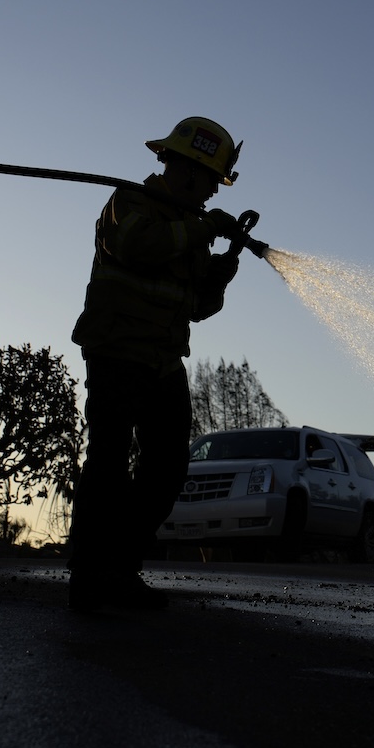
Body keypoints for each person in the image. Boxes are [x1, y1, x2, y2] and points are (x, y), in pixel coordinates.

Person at [67, 117, 246, 610]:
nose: (211, 192)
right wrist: (205, 228)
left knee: (166, 469)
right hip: (117, 352)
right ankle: (88, 576)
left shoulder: (191, 227)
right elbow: (137, 247)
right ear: (185, 169)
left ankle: (120, 569)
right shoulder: (130, 203)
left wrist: (219, 275)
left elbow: (194, 308)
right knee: (108, 463)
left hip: (164, 363)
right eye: (210, 179)